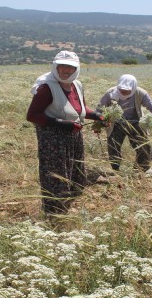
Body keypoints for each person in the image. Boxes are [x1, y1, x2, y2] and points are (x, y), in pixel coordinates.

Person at [26, 50, 103, 217]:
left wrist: (97, 116)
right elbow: (32, 115)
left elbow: (80, 109)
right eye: (62, 67)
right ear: (56, 67)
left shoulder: (77, 85)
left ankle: (66, 211)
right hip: (53, 140)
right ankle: (54, 215)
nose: (66, 71)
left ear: (76, 69)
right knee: (56, 177)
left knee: (75, 173)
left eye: (70, 67)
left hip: (73, 137)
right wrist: (60, 123)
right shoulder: (47, 87)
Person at [97, 74, 152, 171]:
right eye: (122, 90)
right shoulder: (110, 93)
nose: (124, 92)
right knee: (113, 147)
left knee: (143, 146)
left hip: (136, 123)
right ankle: (115, 170)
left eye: (127, 91)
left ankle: (140, 169)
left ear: (133, 88)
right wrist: (103, 120)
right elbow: (99, 110)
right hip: (116, 124)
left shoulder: (140, 93)